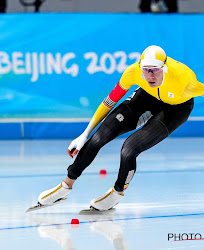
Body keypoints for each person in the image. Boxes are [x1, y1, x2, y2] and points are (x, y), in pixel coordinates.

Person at [36, 45, 204, 211]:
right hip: (147, 96)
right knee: (98, 137)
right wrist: (85, 134)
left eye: (155, 70)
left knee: (129, 149)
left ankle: (117, 192)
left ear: (164, 68)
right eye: (146, 70)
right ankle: (66, 185)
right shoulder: (133, 72)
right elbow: (109, 101)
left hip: (176, 109)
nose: (150, 75)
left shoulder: (185, 80)